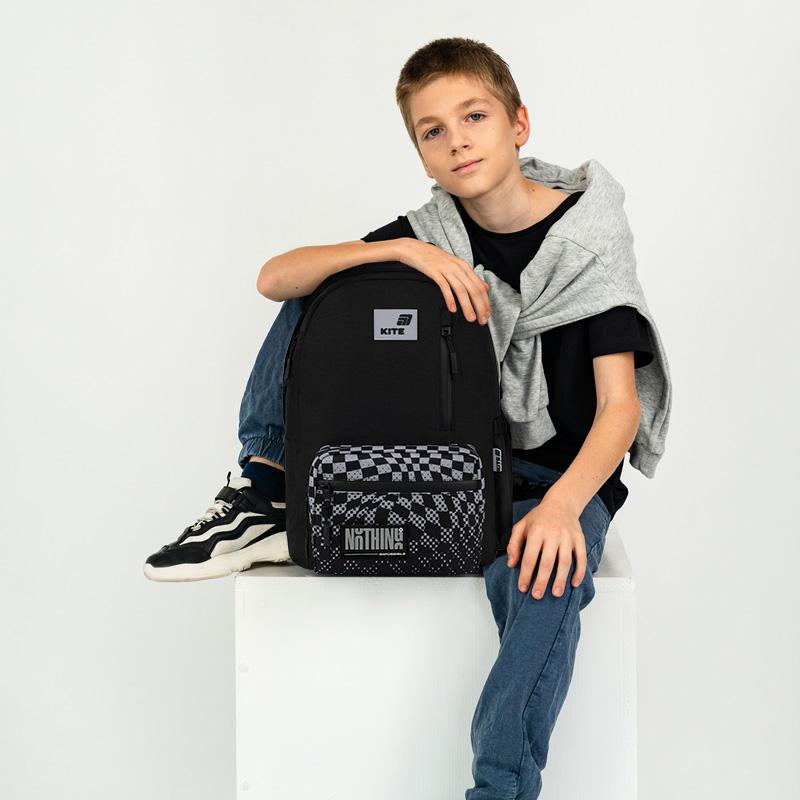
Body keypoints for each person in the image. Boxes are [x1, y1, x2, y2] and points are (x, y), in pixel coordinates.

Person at [144, 37, 664, 800]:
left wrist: (563, 507)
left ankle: (499, 791)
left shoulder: (588, 240)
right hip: (457, 467)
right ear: (421, 155)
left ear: (519, 124)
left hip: (556, 479)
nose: (457, 141)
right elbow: (274, 277)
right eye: (433, 130)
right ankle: (266, 486)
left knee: (544, 582)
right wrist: (401, 255)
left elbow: (620, 409)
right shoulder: (435, 230)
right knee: (323, 290)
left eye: (475, 116)